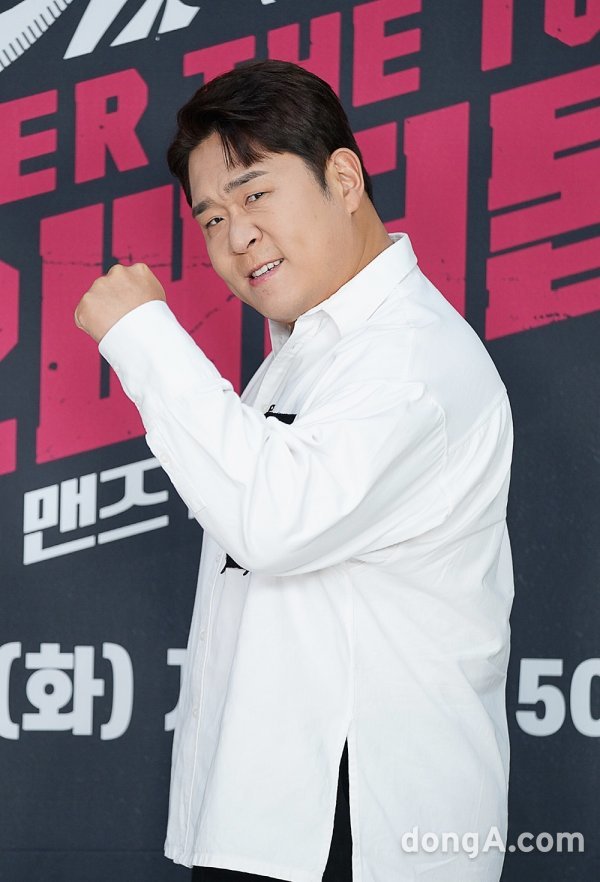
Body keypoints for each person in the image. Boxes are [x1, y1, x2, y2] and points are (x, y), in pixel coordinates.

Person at [75, 60, 514, 882]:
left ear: (343, 179)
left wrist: (143, 338)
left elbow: (273, 522)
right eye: (211, 218)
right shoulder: (313, 350)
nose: (235, 236)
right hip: (281, 821)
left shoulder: (409, 358)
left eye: (254, 194)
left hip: (361, 827)